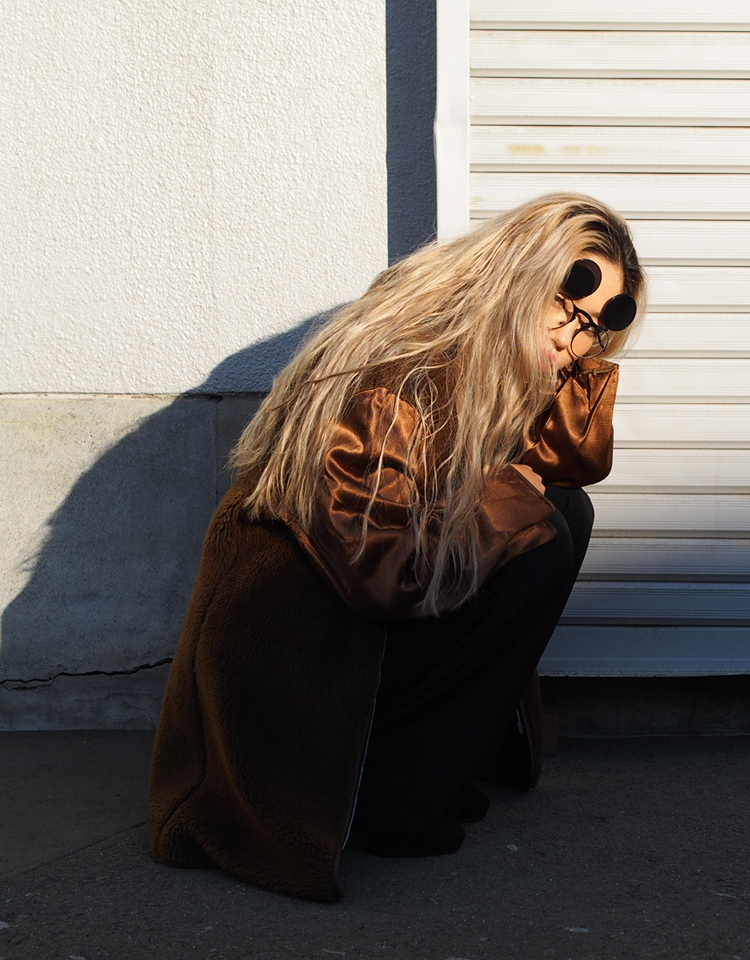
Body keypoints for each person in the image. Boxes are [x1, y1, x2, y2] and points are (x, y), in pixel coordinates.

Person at [148, 193, 646, 902]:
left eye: (594, 327)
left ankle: (427, 764)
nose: (572, 336)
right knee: (538, 535)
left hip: (353, 616)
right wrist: (514, 494)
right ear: (516, 271)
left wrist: (576, 373)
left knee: (564, 511)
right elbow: (379, 572)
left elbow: (568, 464)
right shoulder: (405, 363)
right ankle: (395, 799)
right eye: (565, 301)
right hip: (294, 643)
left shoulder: (492, 360)